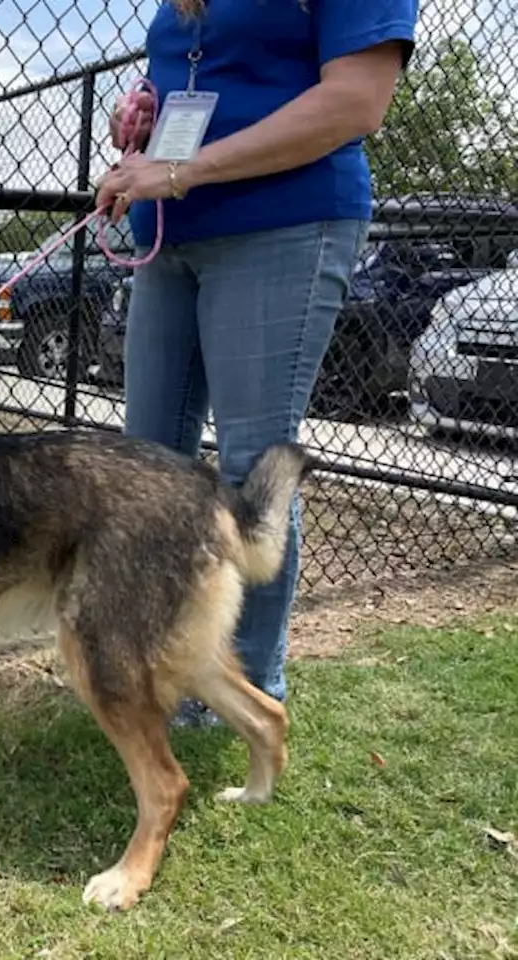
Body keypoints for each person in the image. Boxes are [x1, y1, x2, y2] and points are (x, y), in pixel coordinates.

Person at [94, 0, 418, 727]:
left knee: (252, 465)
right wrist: (148, 109)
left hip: (284, 223)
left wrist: (182, 168)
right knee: (145, 464)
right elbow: (205, 78)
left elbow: (356, 102)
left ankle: (240, 689)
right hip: (171, 234)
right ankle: (159, 668)